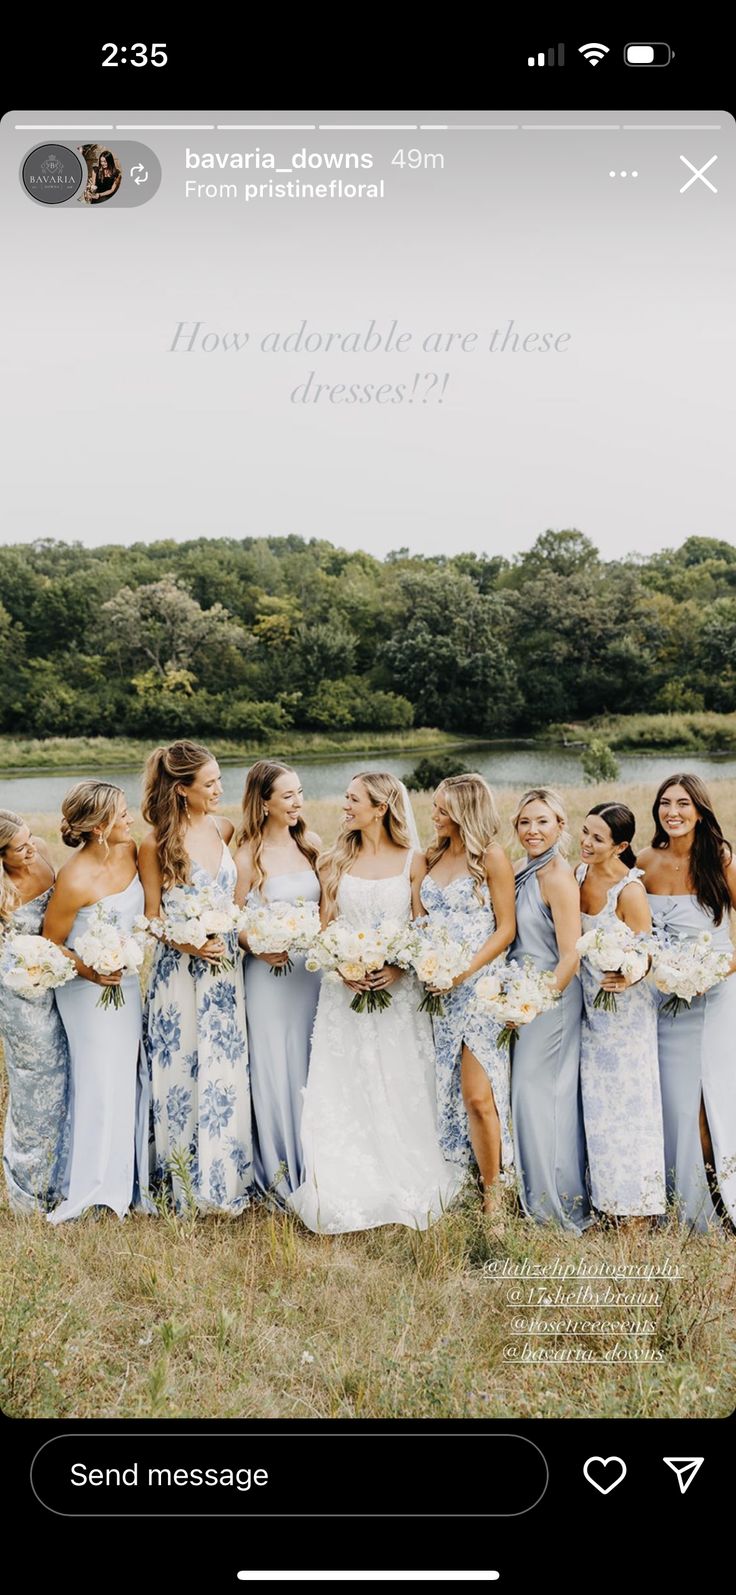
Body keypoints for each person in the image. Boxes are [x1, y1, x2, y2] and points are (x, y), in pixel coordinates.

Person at [288, 772, 463, 1233]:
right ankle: (346, 1176)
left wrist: (402, 967)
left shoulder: (414, 860)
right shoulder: (335, 860)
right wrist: (342, 967)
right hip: (343, 994)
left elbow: (422, 927)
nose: (344, 806)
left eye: (353, 799)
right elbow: (324, 926)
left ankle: (405, 1170)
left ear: (381, 807)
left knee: (399, 1075)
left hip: (398, 993)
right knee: (345, 1079)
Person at [139, 740, 253, 1214]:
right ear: (183, 790)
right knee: (181, 1071)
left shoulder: (224, 828)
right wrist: (186, 942)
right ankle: (182, 1179)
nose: (219, 790)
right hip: (179, 977)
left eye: (219, 780)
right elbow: (150, 918)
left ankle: (223, 1176)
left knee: (224, 1071)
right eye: (210, 784)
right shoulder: (156, 844)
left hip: (224, 976)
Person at [44, 782, 152, 1224]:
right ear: (98, 826)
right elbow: (50, 945)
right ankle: (92, 1188)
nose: (130, 819)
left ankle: (123, 1184)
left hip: (124, 985)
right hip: (85, 989)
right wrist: (91, 969)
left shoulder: (132, 853)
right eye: (122, 814)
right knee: (97, 1081)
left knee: (125, 1079)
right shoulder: (74, 878)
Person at [638, 774, 736, 1231]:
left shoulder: (721, 860)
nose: (671, 812)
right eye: (664, 803)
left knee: (711, 1098)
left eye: (682, 804)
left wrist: (713, 972)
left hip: (714, 997)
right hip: (664, 1002)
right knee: (673, 1102)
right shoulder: (645, 862)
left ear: (700, 810)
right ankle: (679, 1201)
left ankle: (719, 1204)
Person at [418, 774, 516, 1226]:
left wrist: (465, 970)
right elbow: (420, 925)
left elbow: (505, 928)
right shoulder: (432, 856)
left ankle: (494, 1196)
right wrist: (429, 965)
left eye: (440, 808)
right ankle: (460, 1176)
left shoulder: (491, 857)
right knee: (447, 1090)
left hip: (478, 990)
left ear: (462, 812)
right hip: (437, 990)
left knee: (479, 1095)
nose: (433, 814)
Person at [234, 761, 321, 1206]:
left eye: (299, 793)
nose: (297, 803)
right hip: (268, 977)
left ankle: (317, 1163)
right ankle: (279, 1170)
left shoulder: (312, 846)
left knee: (311, 1060)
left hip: (311, 976)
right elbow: (232, 921)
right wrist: (257, 944)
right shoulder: (247, 854)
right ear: (264, 801)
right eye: (287, 796)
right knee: (274, 1065)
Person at [576, 802, 665, 1222]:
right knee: (597, 1107)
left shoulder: (629, 890)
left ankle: (637, 1210)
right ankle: (604, 1202)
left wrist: (629, 973)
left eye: (597, 838)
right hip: (589, 1012)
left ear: (621, 846)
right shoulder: (577, 876)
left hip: (626, 1015)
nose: (586, 843)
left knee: (629, 1108)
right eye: (585, 832)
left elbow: (648, 950)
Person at [510, 788, 591, 1232]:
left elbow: (570, 956)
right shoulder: (524, 869)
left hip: (551, 999)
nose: (532, 830)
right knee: (527, 1096)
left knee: (539, 1095)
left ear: (560, 825)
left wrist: (534, 1002)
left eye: (542, 821)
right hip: (520, 996)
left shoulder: (557, 877)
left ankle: (557, 1204)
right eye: (525, 822)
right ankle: (531, 1195)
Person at [0, 809, 70, 1213]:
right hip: (20, 995)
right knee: (35, 1083)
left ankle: (66, 1172)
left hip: (59, 978)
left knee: (68, 1071)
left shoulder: (42, 852)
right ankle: (31, 1187)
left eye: (30, 839)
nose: (30, 848)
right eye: (19, 847)